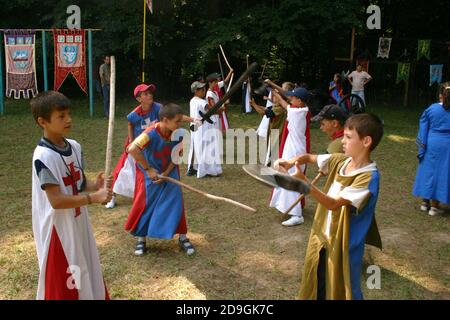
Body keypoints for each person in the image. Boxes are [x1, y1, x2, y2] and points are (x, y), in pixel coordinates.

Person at [275, 112, 384, 300]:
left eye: (348, 137)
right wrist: (291, 161)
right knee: (318, 279)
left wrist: (305, 184)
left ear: (366, 141)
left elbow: (334, 205)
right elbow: (309, 157)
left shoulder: (368, 177)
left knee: (343, 286)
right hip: (323, 234)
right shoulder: (341, 160)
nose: (342, 141)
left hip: (343, 243)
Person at [30, 91, 113, 300]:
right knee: (68, 276)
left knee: (86, 266)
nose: (69, 119)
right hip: (58, 228)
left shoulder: (74, 147)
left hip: (78, 221)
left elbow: (79, 183)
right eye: (61, 116)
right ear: (43, 122)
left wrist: (96, 185)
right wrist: (93, 198)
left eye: (68, 113)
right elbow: (56, 201)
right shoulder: (43, 157)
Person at [125, 103, 195, 256]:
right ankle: (141, 240)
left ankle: (183, 237)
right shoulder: (149, 133)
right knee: (145, 205)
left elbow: (176, 156)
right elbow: (132, 149)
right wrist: (149, 169)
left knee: (176, 203)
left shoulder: (179, 134)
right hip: (149, 174)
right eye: (177, 121)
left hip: (170, 171)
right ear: (165, 120)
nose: (180, 124)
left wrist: (167, 173)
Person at [105, 83, 162, 209]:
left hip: (151, 146)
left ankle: (150, 195)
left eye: (150, 93)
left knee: (148, 170)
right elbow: (130, 124)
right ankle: (112, 195)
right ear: (139, 99)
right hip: (136, 146)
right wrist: (131, 140)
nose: (149, 95)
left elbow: (166, 119)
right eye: (145, 94)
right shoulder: (135, 114)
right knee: (123, 170)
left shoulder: (158, 108)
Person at [269, 87, 311, 226]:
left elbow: (282, 101)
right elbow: (285, 99)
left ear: (299, 101)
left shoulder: (297, 112)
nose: (291, 99)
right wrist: (273, 87)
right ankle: (290, 207)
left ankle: (297, 215)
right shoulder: (302, 109)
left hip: (294, 151)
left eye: (293, 98)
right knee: (287, 177)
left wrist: (274, 92)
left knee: (291, 178)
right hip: (294, 148)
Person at [412, 85, 450, 215]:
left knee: (428, 171)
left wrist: (422, 145)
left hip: (431, 143)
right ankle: (434, 207)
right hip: (447, 146)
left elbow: (423, 127)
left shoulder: (431, 109)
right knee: (442, 173)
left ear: (441, 95)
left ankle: (425, 203)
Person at [251, 81, 295, 165]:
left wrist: (254, 105)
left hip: (278, 133)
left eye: (282, 87)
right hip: (275, 132)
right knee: (272, 152)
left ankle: (273, 169)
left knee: (274, 154)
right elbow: (266, 108)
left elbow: (264, 112)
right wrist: (255, 104)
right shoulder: (280, 104)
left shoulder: (281, 107)